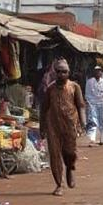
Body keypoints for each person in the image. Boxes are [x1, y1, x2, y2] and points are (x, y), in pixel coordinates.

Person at [40, 58, 86, 196]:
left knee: (70, 153)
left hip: (70, 125)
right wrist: (42, 127)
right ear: (55, 73)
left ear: (68, 73)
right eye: (59, 72)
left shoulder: (74, 87)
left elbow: (81, 106)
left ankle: (70, 168)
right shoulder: (50, 89)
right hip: (53, 126)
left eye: (64, 72)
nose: (61, 75)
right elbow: (44, 108)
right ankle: (59, 184)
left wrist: (83, 122)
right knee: (54, 155)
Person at [85, 66, 103, 147]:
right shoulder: (89, 82)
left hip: (101, 103)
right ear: (94, 72)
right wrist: (89, 104)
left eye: (100, 71)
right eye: (96, 71)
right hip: (92, 103)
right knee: (93, 121)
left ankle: (102, 139)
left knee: (102, 121)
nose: (98, 73)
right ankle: (92, 140)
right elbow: (87, 94)